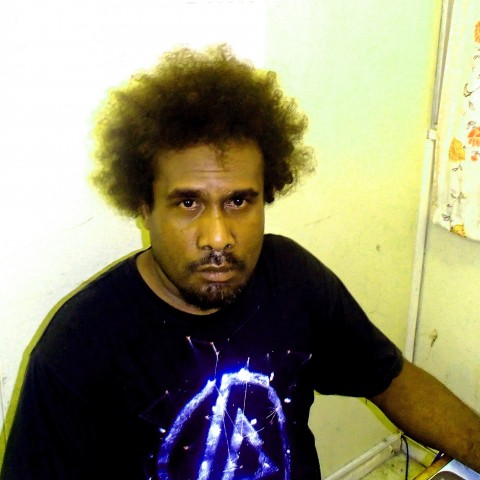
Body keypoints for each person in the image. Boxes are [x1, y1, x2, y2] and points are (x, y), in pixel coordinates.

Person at [1, 44, 479, 480]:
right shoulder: (79, 347)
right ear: (144, 206)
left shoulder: (292, 277)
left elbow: (392, 380)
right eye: (188, 203)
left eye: (238, 201)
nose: (218, 237)